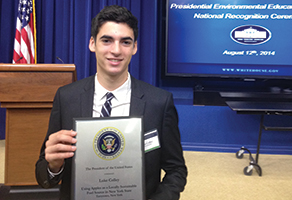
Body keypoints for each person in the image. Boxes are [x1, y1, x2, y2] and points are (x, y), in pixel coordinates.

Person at [35, 5, 187, 200]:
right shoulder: (66, 98)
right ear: (92, 44)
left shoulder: (159, 102)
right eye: (107, 40)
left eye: (125, 42)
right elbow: (44, 175)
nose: (116, 50)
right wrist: (53, 166)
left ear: (134, 47)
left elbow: (176, 170)